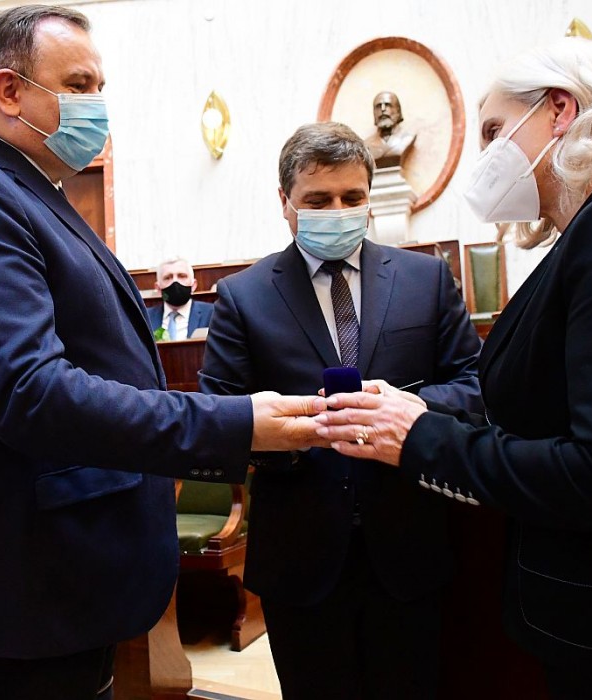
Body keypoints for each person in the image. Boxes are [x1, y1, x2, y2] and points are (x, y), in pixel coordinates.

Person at [0, 6, 326, 699]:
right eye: (79, 85)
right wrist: (234, 423)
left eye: (99, 86)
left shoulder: (32, 194)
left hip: (63, 577)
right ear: (9, 91)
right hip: (19, 586)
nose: (98, 105)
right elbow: (31, 393)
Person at [315, 38, 592, 699]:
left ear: (559, 111)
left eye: (494, 131)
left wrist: (421, 439)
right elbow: (541, 407)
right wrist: (418, 408)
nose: (486, 158)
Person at [199, 121, 483, 699]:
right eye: (318, 200)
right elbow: (218, 417)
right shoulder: (242, 296)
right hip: (299, 557)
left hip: (409, 547)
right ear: (285, 202)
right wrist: (292, 434)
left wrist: (407, 409)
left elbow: (476, 388)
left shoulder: (426, 279)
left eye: (352, 198)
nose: (338, 211)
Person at [147, 257, 213, 340]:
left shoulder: (212, 313)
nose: (175, 282)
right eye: (168, 278)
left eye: (182, 276)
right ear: (158, 288)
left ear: (193, 285)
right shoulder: (145, 317)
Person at [363, 91, 417, 169]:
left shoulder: (408, 138)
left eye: (387, 105)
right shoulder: (366, 144)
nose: (383, 109)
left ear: (398, 110)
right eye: (378, 106)